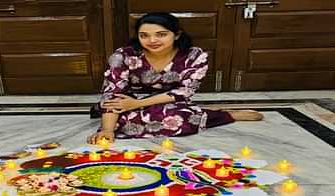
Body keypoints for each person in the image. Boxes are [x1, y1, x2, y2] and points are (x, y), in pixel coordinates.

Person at [87, 12, 262, 144]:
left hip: (169, 100)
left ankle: (222, 115)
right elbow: (113, 90)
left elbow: (185, 90)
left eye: (161, 34)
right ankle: (195, 112)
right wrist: (107, 130)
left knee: (176, 119)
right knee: (118, 116)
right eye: (144, 35)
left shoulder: (195, 56)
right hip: (128, 99)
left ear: (176, 35)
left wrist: (138, 105)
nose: (152, 40)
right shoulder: (124, 55)